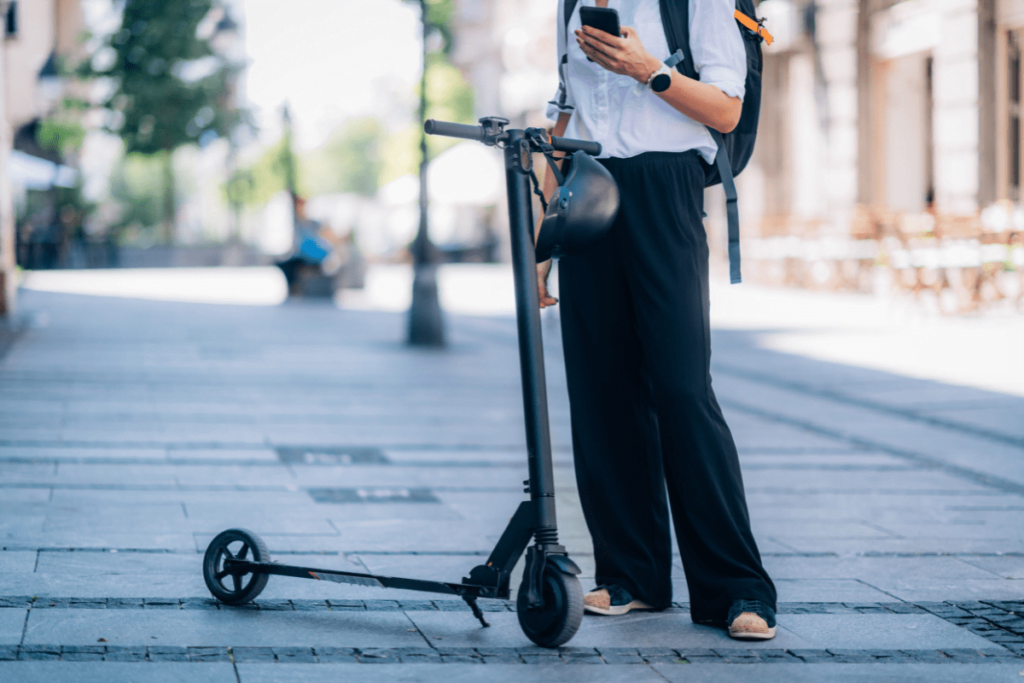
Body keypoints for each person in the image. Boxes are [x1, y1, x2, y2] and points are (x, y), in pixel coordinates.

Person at [536, 0, 778, 640]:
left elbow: (727, 108)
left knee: (680, 388)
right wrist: (545, 236)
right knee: (600, 391)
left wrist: (649, 69)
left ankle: (738, 587)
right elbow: (565, 115)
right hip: (588, 190)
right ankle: (631, 577)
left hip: (664, 186)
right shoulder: (571, 4)